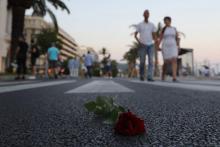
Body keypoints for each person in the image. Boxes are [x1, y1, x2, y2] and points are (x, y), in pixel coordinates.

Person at [134, 9, 158, 81]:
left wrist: (156, 41)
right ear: (143, 15)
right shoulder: (139, 25)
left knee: (151, 61)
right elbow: (135, 35)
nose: (146, 14)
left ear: (149, 15)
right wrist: (139, 42)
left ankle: (150, 77)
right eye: (145, 13)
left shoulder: (152, 25)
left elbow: (154, 35)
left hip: (150, 45)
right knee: (142, 62)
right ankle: (142, 75)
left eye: (148, 13)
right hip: (143, 45)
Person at [159, 16, 180, 82]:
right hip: (165, 46)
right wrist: (157, 46)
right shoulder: (163, 29)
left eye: (167, 20)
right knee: (166, 62)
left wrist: (178, 46)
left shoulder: (174, 29)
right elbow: (160, 38)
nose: (166, 22)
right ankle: (163, 74)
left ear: (170, 21)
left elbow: (177, 38)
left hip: (173, 46)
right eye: (165, 21)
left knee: (174, 60)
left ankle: (174, 77)